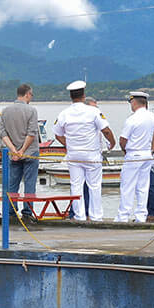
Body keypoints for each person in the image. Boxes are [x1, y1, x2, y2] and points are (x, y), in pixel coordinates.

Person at [54, 81, 115, 221]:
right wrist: (112, 142)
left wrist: (69, 145)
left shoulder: (64, 113)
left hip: (74, 154)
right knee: (94, 186)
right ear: (83, 95)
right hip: (91, 153)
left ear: (71, 96)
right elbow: (106, 130)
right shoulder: (93, 111)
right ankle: (96, 216)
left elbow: (57, 134)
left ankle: (79, 216)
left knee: (76, 186)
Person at [116, 92, 154, 223]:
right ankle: (141, 216)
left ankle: (123, 216)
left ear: (134, 102)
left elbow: (123, 140)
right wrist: (152, 150)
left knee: (127, 186)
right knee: (143, 187)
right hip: (147, 154)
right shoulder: (152, 117)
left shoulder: (132, 119)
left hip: (134, 154)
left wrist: (125, 150)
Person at [0, 84, 39, 221]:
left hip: (13, 154)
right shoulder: (31, 110)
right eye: (31, 95)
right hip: (30, 152)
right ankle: (27, 212)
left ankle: (10, 212)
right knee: (30, 183)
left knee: (12, 183)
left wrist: (13, 150)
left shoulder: (5, 111)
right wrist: (22, 150)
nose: (31, 97)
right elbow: (32, 133)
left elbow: (3, 133)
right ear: (27, 94)